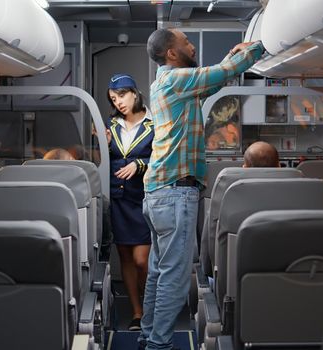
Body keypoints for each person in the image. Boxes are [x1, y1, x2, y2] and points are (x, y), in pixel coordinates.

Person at [139, 28, 265, 350]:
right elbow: (221, 73)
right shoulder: (173, 80)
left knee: (159, 271)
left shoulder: (174, 83)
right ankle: (159, 345)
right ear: (171, 53)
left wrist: (232, 58)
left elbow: (216, 79)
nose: (192, 46)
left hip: (161, 192)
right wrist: (265, 45)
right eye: (185, 42)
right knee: (174, 277)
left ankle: (148, 335)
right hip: (174, 191)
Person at [106, 73, 153, 331]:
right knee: (125, 257)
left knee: (141, 261)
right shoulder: (110, 126)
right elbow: (104, 159)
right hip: (119, 200)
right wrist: (101, 143)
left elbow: (160, 158)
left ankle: (150, 304)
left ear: (135, 93)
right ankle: (137, 312)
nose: (119, 103)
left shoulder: (154, 124)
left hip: (143, 199)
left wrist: (139, 164)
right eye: (114, 99)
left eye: (122, 95)